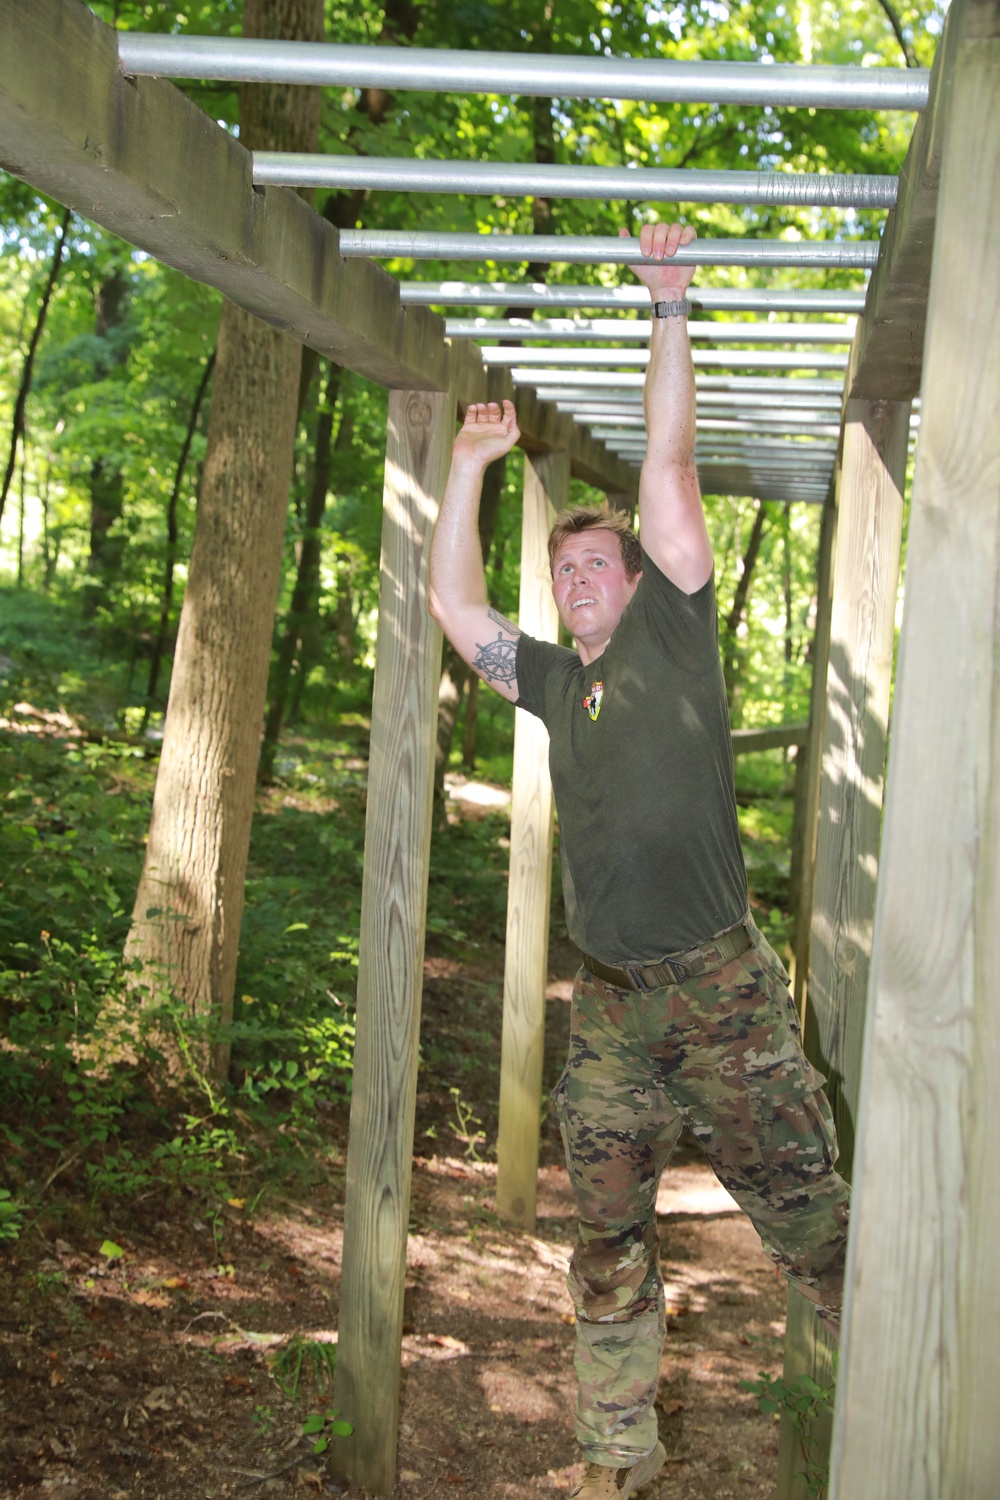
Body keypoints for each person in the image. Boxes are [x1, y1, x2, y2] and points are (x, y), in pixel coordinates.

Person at [428, 222, 850, 1500]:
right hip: (610, 1004)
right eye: (560, 573)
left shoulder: (672, 632)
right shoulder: (559, 683)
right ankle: (618, 1467)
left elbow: (666, 466)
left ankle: (917, 1405)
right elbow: (457, 611)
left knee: (817, 1231)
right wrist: (467, 468)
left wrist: (668, 305)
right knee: (603, 1244)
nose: (572, 586)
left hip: (720, 997)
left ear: (640, 575)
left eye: (589, 565)